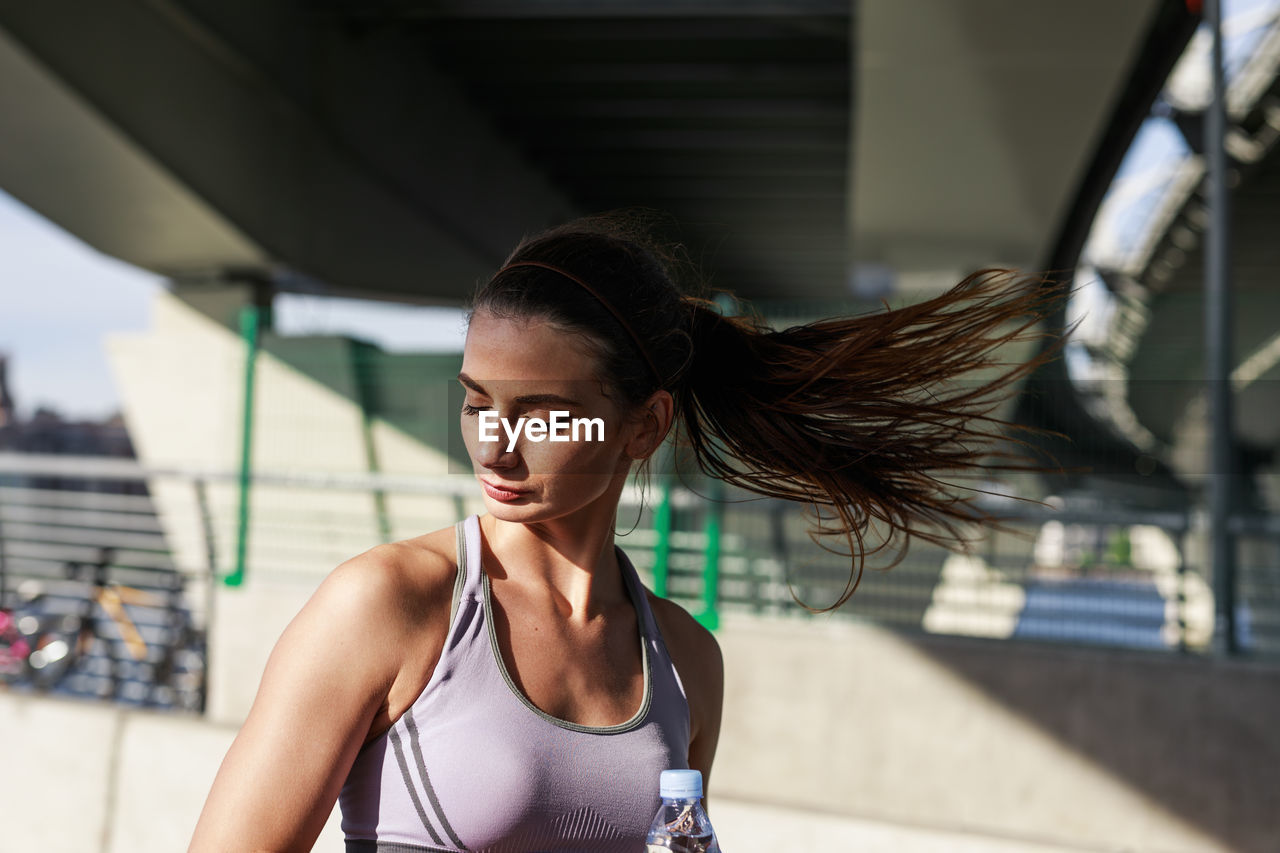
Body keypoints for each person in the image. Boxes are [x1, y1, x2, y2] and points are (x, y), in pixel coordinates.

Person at [189, 213, 1063, 852]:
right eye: (477, 402)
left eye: (543, 413)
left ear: (644, 425)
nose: (495, 442)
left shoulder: (686, 661)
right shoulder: (390, 603)